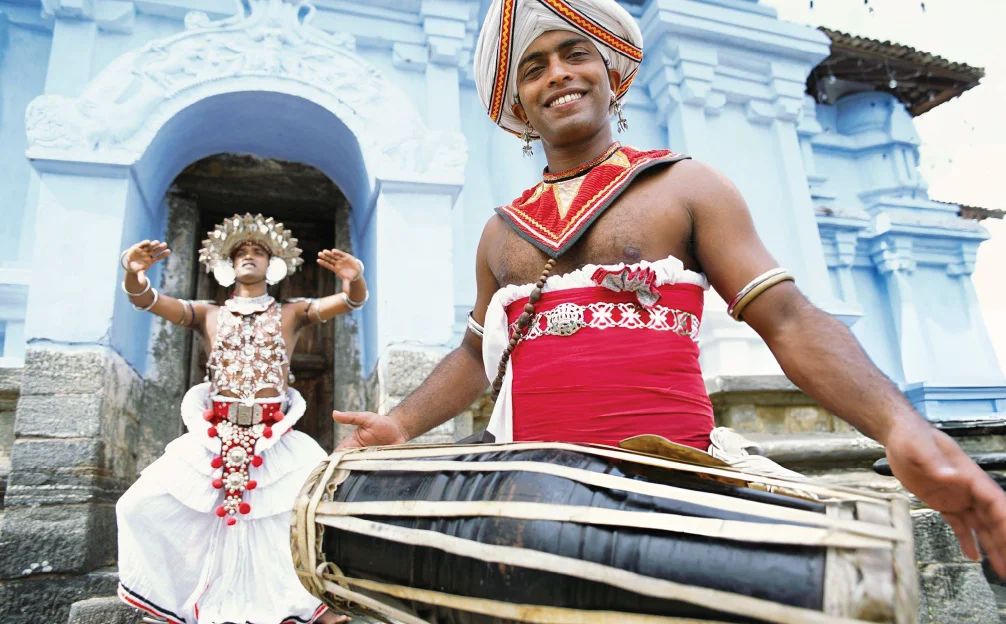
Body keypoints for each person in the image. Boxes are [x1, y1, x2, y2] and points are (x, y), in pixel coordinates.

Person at [333, 0, 1006, 577]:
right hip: (535, 504)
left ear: (614, 74)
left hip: (680, 495)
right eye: (533, 69)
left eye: (575, 55)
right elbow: (474, 354)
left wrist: (900, 426)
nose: (559, 75)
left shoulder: (687, 187)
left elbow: (790, 318)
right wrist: (398, 424)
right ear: (516, 105)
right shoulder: (500, 232)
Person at [115, 214, 361, 623]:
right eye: (240, 252)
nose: (249, 256)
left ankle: (309, 605)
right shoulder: (207, 313)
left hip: (276, 435)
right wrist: (133, 272)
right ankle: (173, 599)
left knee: (307, 511)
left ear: (273, 264)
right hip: (214, 435)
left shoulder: (292, 313)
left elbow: (349, 301)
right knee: (139, 505)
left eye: (258, 251)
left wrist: (354, 280)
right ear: (227, 264)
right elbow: (146, 300)